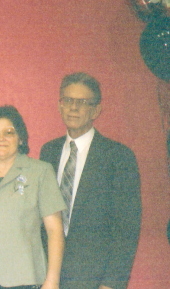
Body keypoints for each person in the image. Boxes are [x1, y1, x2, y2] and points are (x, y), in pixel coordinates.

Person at [40, 72, 142, 289]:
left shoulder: (118, 157)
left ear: (96, 110)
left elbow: (127, 229)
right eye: (68, 100)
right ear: (59, 106)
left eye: (82, 102)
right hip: (49, 276)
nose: (73, 108)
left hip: (94, 279)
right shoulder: (48, 152)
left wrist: (111, 284)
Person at [0, 105, 66, 289]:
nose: (1, 139)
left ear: (21, 137)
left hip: (23, 279)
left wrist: (52, 281)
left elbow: (55, 231)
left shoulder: (40, 172)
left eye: (9, 132)